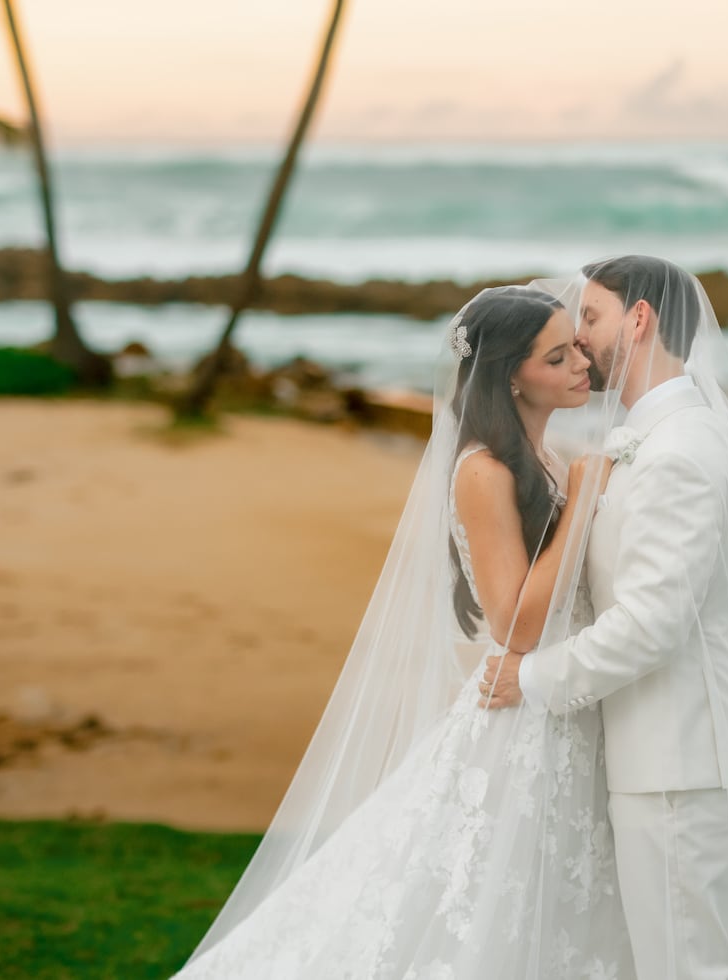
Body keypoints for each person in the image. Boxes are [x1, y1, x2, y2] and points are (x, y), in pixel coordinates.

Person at [171, 286, 634, 978]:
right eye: (558, 355)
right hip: (522, 728)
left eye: (578, 345)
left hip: (559, 710)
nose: (583, 363)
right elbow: (513, 623)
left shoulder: (538, 458)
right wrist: (585, 499)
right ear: (512, 375)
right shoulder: (484, 470)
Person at [481, 256, 728, 979]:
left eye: (591, 318)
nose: (581, 339)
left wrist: (530, 679)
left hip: (680, 760)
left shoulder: (678, 452)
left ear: (639, 319)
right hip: (673, 753)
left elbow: (651, 624)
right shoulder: (659, 438)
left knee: (691, 966)